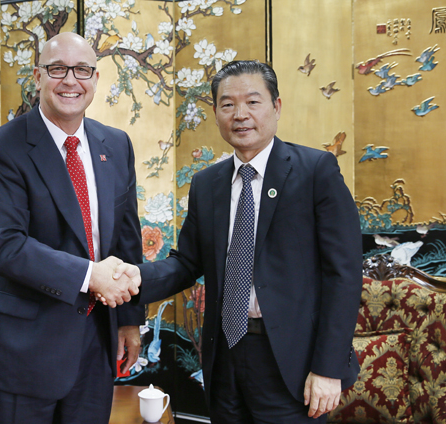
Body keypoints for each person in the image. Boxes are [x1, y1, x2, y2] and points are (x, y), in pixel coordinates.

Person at [111, 60, 363, 423]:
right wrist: (133, 279)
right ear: (216, 114)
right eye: (228, 104)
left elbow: (344, 274)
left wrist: (328, 368)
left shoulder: (315, 171)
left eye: (253, 102)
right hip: (225, 357)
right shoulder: (207, 184)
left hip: (292, 362)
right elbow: (186, 263)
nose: (240, 114)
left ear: (276, 107)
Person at [0, 32, 143, 424]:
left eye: (81, 70)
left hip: (95, 344)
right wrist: (90, 276)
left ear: (95, 78)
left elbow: (126, 240)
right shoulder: (1, 148)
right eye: (57, 69)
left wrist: (130, 319)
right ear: (37, 77)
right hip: (21, 350)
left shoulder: (116, 145)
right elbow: (5, 245)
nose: (70, 81)